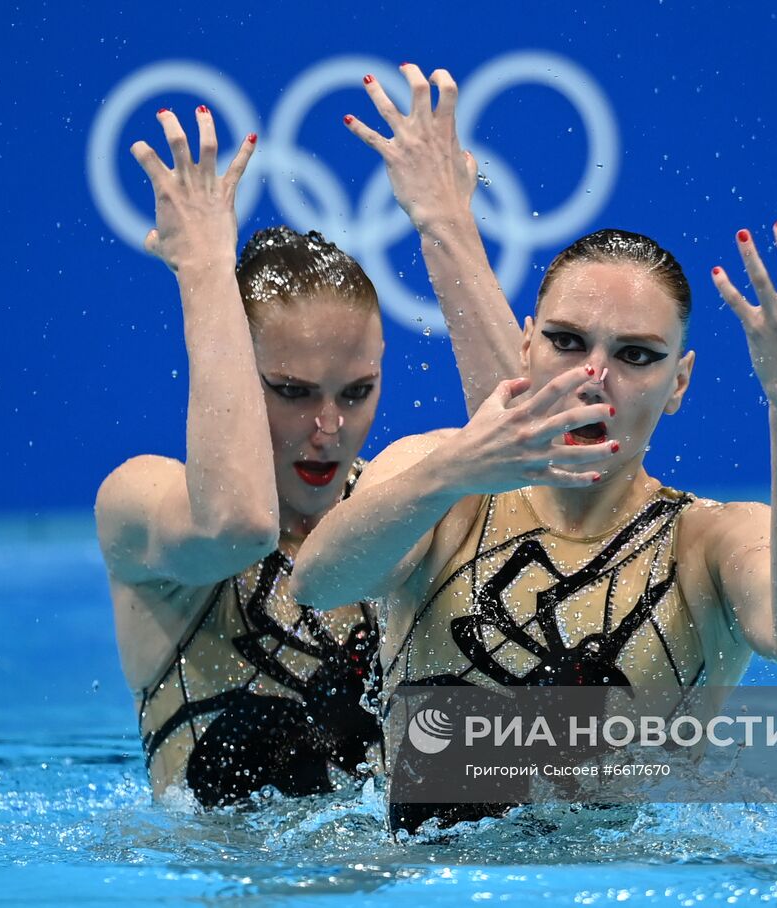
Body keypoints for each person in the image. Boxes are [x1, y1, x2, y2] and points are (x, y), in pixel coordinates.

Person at [291, 196, 777, 830]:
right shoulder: (442, 480)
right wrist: (453, 473)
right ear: (526, 346)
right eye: (566, 341)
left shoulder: (707, 542)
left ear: (681, 382)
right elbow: (318, 583)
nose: (593, 378)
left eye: (636, 355)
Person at [94, 67, 521, 809]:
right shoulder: (140, 503)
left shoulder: (393, 504)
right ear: (239, 371)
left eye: (356, 394)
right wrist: (203, 272)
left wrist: (446, 223)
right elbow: (237, 525)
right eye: (291, 393)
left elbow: (530, 474)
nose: (328, 429)